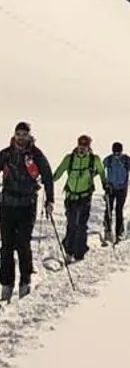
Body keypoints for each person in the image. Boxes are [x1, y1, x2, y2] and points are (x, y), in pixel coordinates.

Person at [0, 122, 54, 301]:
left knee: (23, 244)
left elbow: (47, 175)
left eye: (24, 134)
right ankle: (6, 285)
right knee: (6, 246)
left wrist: (50, 200)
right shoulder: (6, 154)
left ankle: (25, 282)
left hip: (27, 204)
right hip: (7, 204)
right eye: (18, 134)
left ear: (29, 136)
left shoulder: (36, 154)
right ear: (14, 135)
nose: (21, 137)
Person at [53, 135, 106, 262]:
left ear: (89, 147)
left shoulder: (94, 159)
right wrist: (47, 181)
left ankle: (79, 253)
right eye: (80, 145)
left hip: (85, 197)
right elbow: (58, 173)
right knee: (71, 224)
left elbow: (102, 172)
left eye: (85, 146)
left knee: (81, 225)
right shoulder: (69, 159)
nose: (82, 148)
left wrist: (105, 185)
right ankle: (69, 251)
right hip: (71, 197)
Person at [102, 142, 130, 244]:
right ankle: (107, 231)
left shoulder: (126, 159)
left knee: (119, 210)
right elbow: (100, 169)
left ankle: (119, 232)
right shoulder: (108, 159)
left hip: (122, 189)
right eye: (115, 153)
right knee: (108, 209)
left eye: (118, 153)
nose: (117, 155)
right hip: (110, 188)